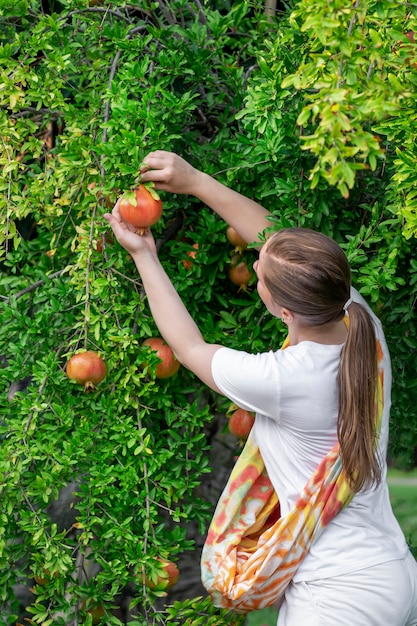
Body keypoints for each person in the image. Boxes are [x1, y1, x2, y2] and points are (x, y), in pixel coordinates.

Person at [104, 150, 417, 626]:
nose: (254, 261)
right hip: (393, 572)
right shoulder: (362, 327)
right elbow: (279, 244)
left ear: (284, 313)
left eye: (260, 274)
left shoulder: (282, 380)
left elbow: (188, 347)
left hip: (336, 596)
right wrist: (196, 181)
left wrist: (143, 254)